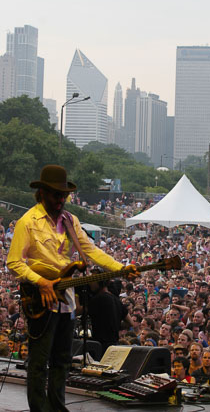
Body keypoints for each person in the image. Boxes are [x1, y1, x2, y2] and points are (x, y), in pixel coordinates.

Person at [7, 165, 138, 412]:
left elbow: (90, 250)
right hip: (40, 296)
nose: (61, 199)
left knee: (62, 359)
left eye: (64, 195)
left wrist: (121, 267)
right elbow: (14, 262)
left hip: (66, 298)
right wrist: (41, 281)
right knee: (39, 360)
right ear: (43, 193)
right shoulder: (28, 222)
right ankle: (38, 408)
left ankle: (57, 406)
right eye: (56, 194)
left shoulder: (70, 220)